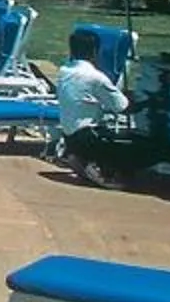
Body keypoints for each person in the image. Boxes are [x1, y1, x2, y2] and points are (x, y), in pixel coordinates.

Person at [52, 29, 133, 185]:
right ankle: (105, 170)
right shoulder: (96, 77)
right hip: (88, 138)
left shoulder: (64, 71)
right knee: (139, 149)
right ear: (95, 52)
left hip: (69, 137)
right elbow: (123, 107)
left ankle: (79, 157)